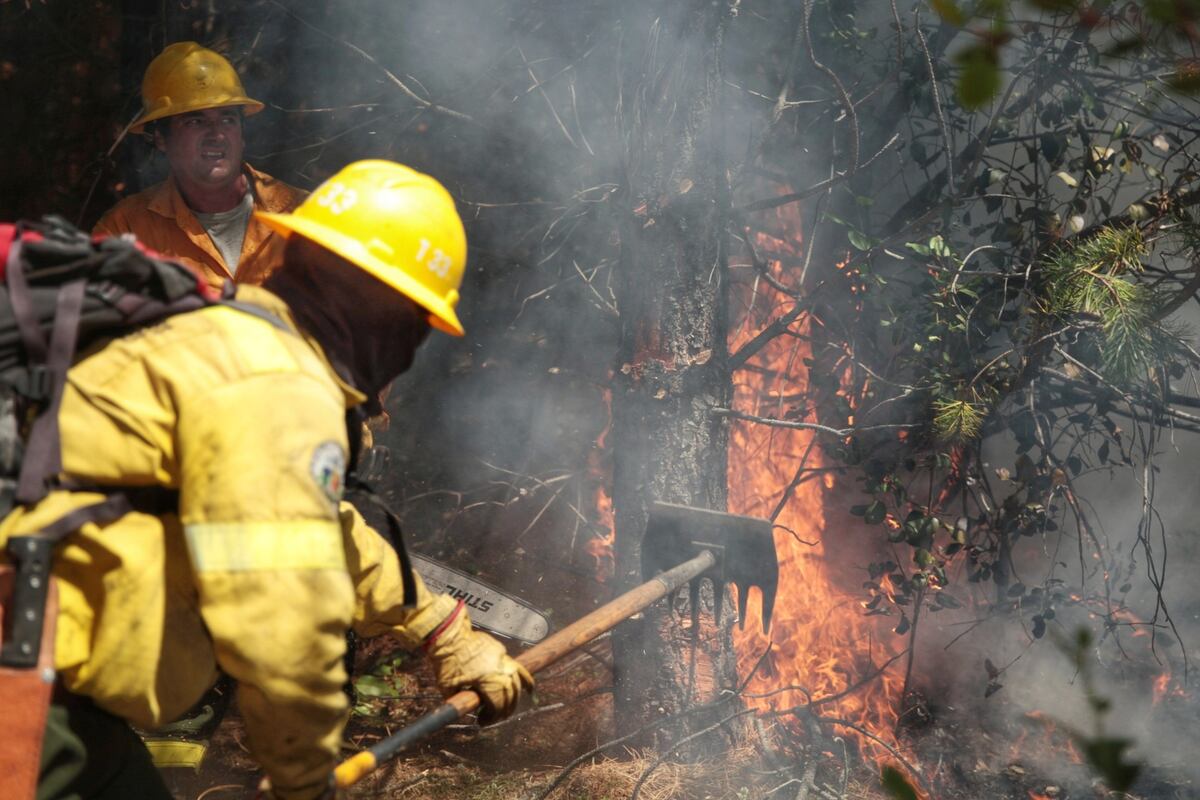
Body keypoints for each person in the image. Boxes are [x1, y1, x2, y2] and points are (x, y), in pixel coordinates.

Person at [1, 160, 532, 800]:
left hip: (53, 682)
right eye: (417, 324)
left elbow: (319, 532)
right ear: (385, 312)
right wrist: (304, 781)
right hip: (24, 682)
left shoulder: (237, 336)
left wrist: (442, 627)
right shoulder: (279, 388)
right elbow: (283, 629)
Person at [94, 41, 305, 290]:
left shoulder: (303, 214)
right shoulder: (125, 230)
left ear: (241, 133)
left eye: (227, 119)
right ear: (161, 139)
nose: (216, 134)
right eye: (195, 122)